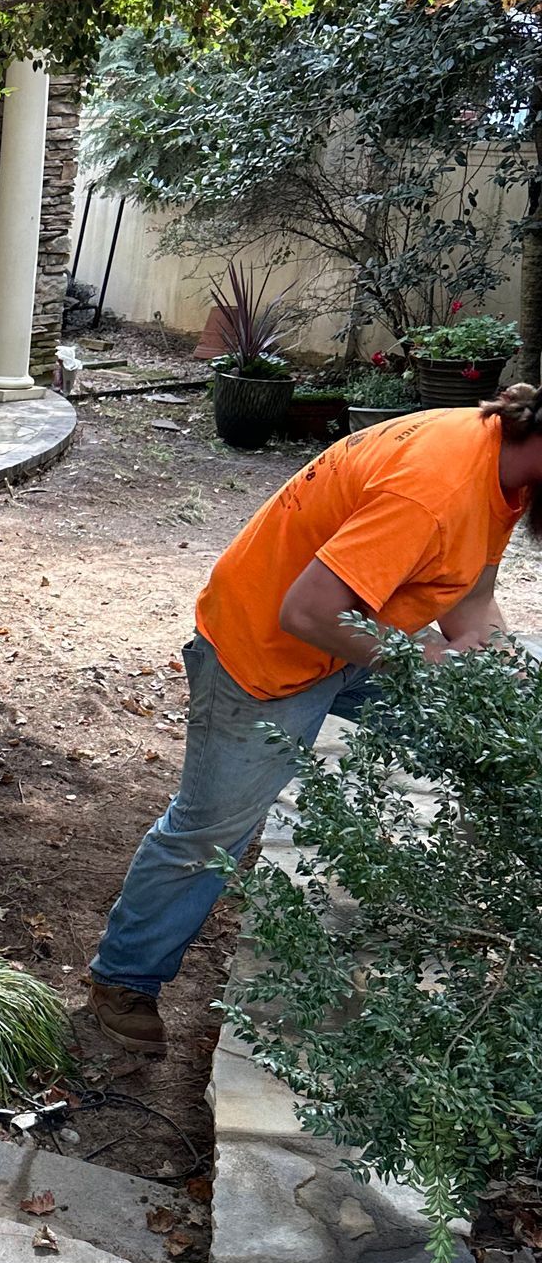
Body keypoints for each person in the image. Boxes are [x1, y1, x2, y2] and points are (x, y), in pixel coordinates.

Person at [88, 386, 542, 1056]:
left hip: (359, 641)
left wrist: (491, 672)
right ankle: (121, 984)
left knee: (496, 733)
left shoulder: (503, 466)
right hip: (265, 653)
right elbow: (304, 612)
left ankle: (491, 921)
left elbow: (471, 593)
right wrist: (424, 660)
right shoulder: (436, 487)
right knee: (209, 832)